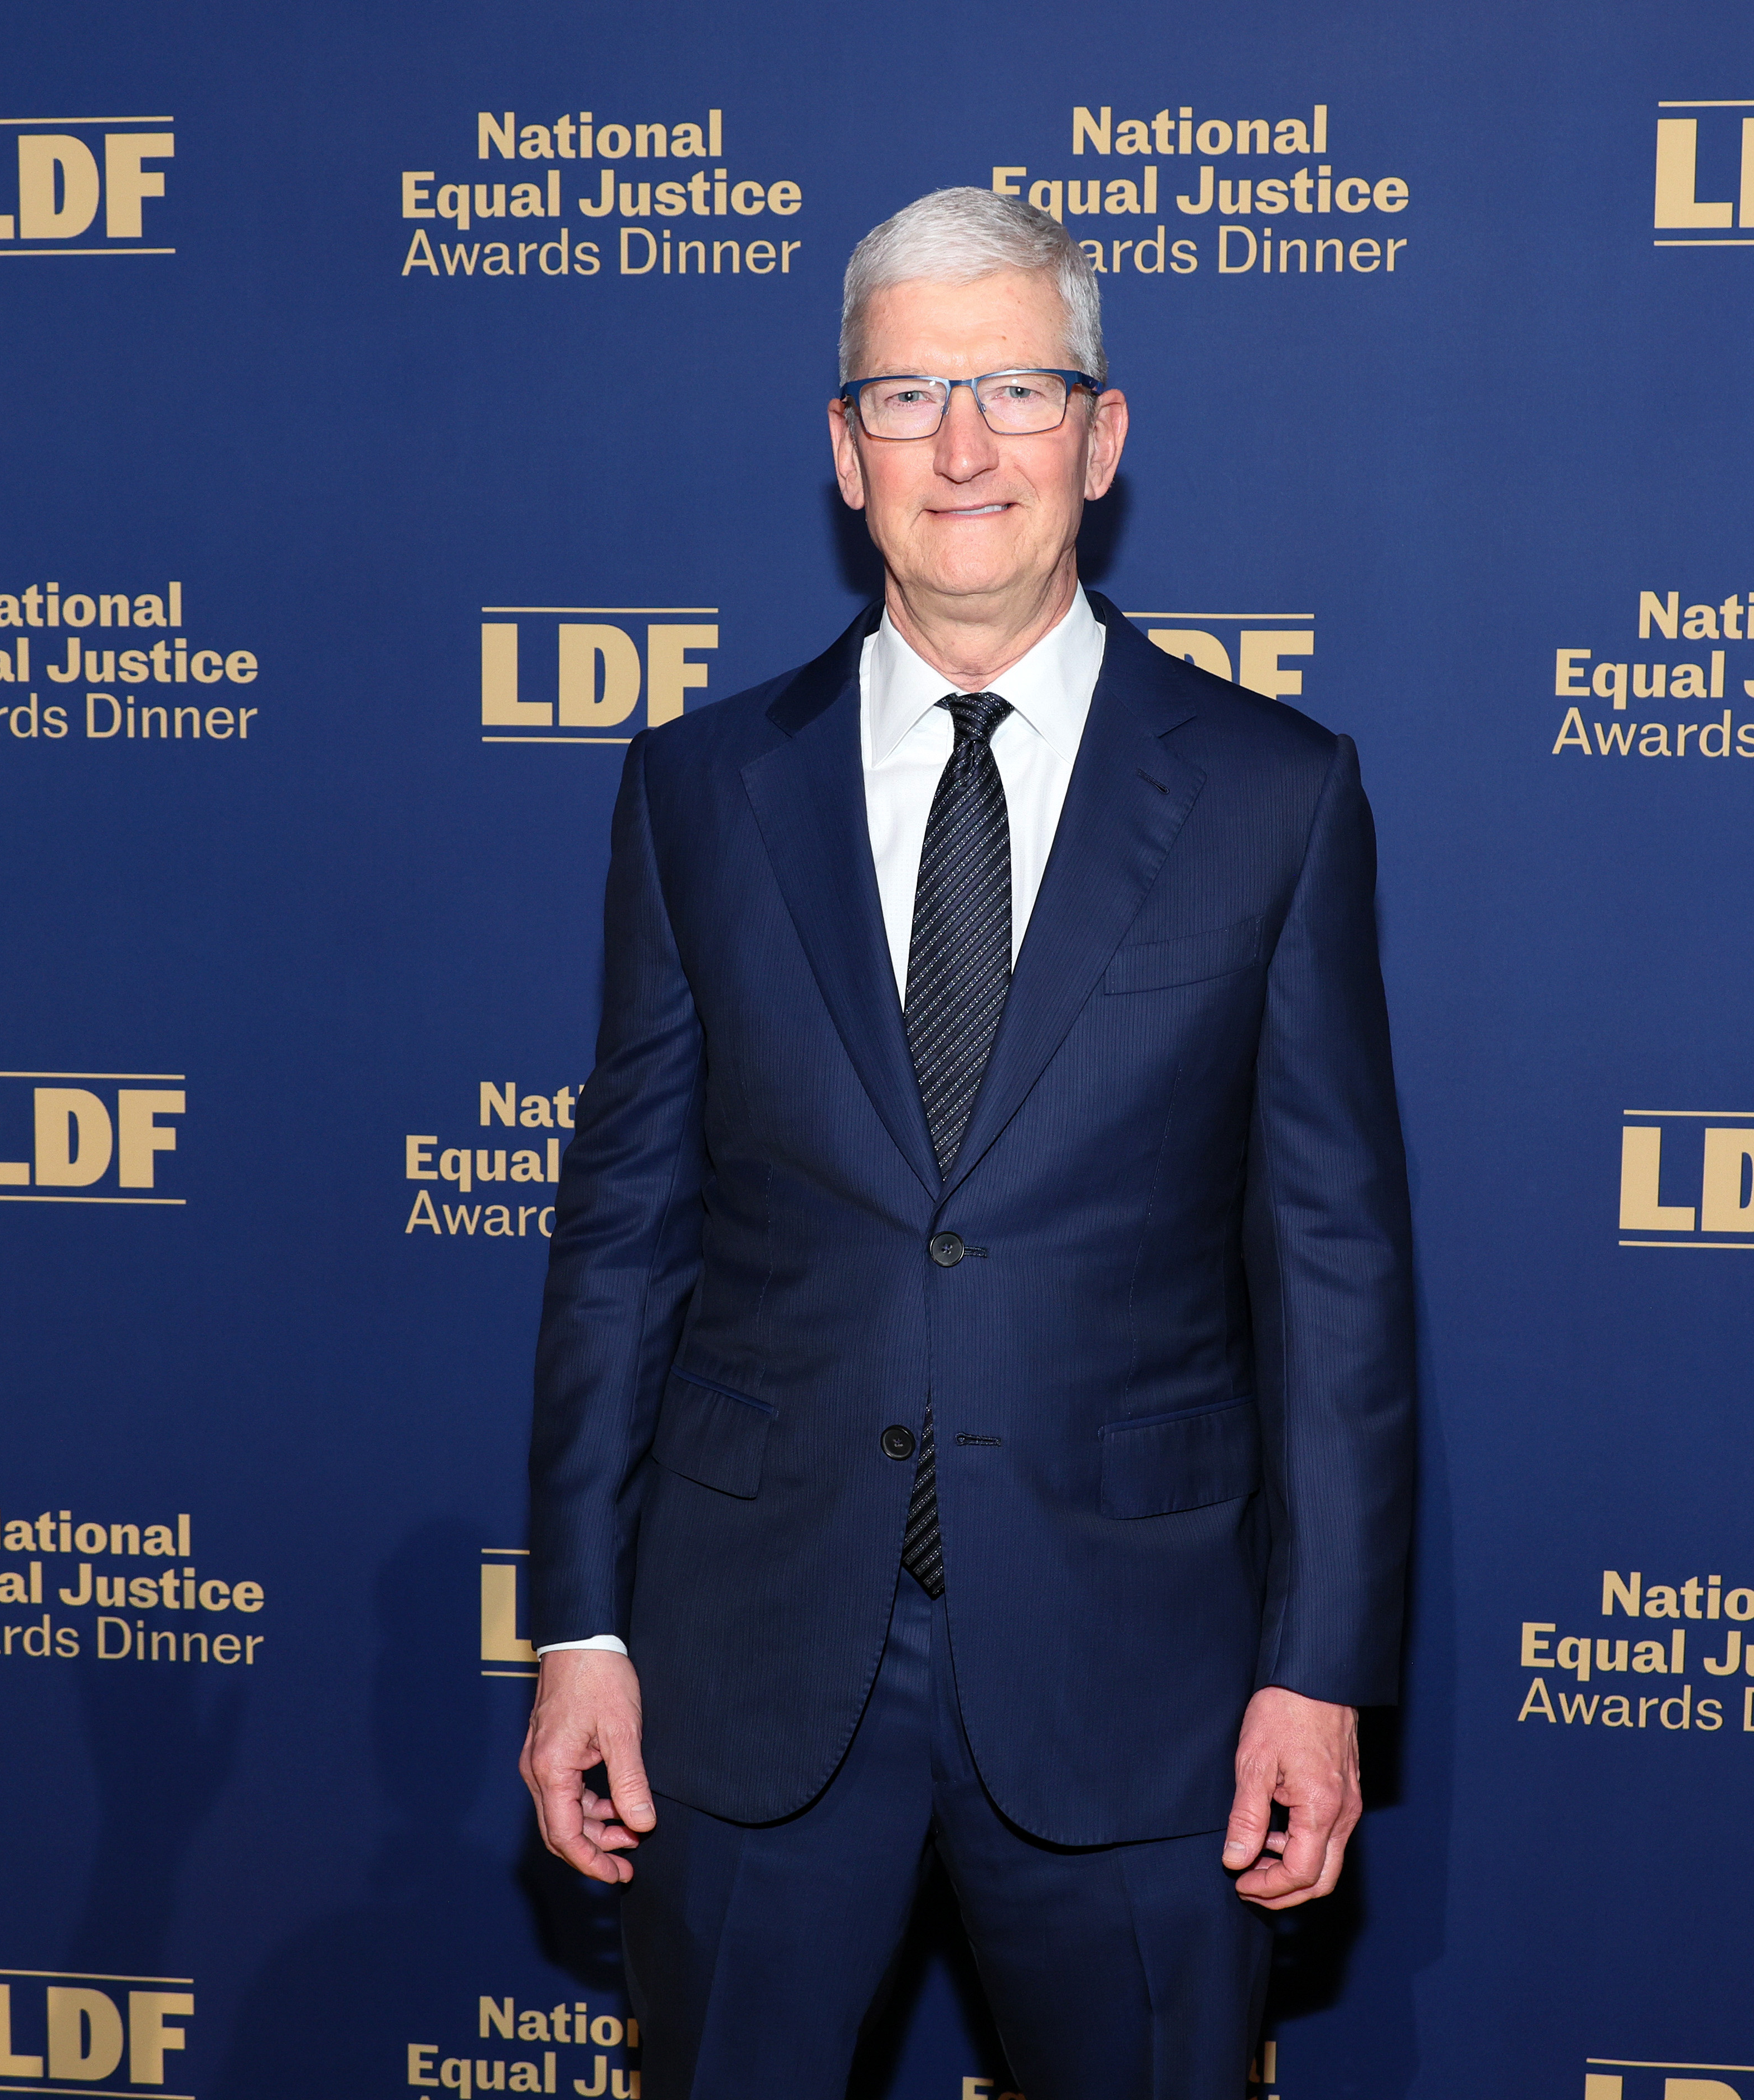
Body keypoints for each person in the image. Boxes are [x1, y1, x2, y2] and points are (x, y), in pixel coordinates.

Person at [520, 185, 1416, 2100]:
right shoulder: (696, 788)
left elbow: (1336, 1277)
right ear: (845, 455)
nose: (962, 445)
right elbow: (623, 1238)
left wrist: (1318, 1666)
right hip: (752, 1670)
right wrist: (583, 1623)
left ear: (1101, 434)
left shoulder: (1278, 796)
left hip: (1149, 1681)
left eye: (1013, 387)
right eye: (909, 395)